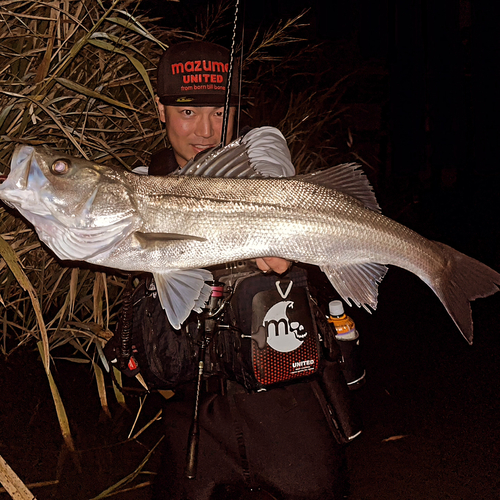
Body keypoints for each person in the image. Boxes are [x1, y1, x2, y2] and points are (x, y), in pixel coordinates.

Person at [109, 41, 359, 500]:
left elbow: (268, 147)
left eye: (220, 112)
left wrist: (270, 206)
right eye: (187, 111)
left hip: (291, 408)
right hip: (196, 417)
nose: (206, 130)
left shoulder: (255, 151)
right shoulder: (140, 185)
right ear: (159, 109)